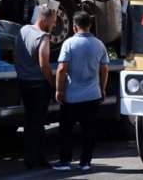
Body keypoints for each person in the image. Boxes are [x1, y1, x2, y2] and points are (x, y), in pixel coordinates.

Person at [52, 11, 109, 172]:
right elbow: (104, 68)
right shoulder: (99, 44)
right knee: (89, 131)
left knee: (65, 130)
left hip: (72, 97)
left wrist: (59, 89)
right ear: (89, 25)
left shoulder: (69, 44)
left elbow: (62, 68)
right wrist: (102, 89)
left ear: (75, 26)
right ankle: (85, 162)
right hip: (92, 96)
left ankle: (65, 162)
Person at [15, 6, 57, 170]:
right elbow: (44, 65)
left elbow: (15, 54)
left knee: (29, 120)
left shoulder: (23, 30)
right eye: (52, 22)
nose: (53, 26)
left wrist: (20, 71)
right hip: (38, 85)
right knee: (38, 123)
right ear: (43, 19)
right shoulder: (43, 38)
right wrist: (53, 84)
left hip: (23, 82)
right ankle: (37, 158)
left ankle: (28, 155)